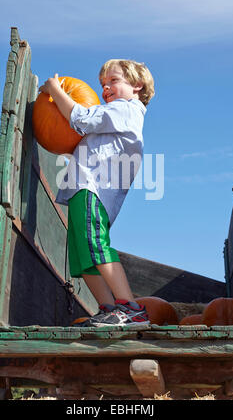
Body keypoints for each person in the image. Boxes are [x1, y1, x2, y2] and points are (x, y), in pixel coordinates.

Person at [38, 59, 155, 327]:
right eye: (103, 85)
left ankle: (132, 308)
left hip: (95, 188)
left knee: (95, 244)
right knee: (82, 254)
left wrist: (56, 91)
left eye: (113, 81)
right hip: (82, 187)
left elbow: (82, 118)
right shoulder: (114, 116)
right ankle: (109, 309)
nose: (106, 88)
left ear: (137, 86)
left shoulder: (126, 110)